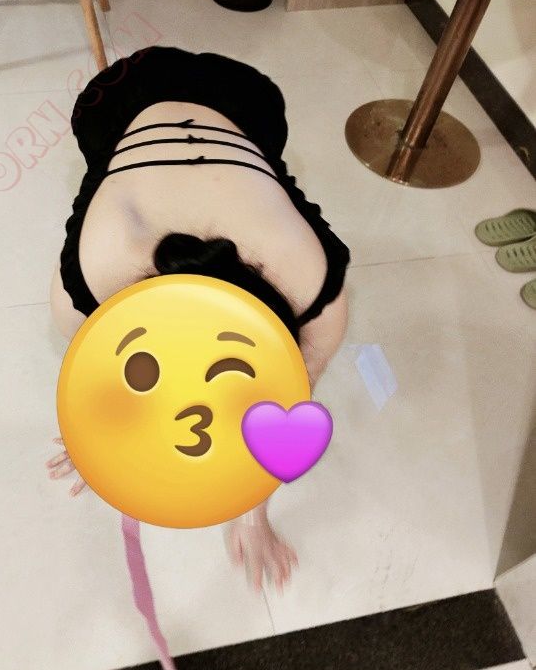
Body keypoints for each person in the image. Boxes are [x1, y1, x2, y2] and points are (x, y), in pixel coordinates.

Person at [46, 46, 350, 592]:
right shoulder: (90, 280)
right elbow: (93, 376)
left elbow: (283, 410)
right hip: (127, 95)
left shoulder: (315, 292)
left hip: (240, 106)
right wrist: (91, 434)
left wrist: (252, 513)